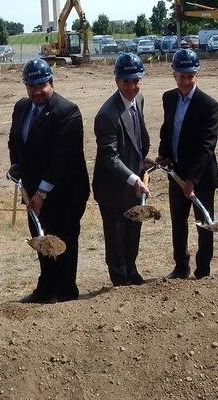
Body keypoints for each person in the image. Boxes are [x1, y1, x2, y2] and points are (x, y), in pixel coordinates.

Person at [8, 58, 90, 303]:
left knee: (63, 241)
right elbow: (15, 142)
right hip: (33, 191)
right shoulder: (21, 108)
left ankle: (66, 291)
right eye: (31, 86)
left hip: (66, 192)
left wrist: (42, 193)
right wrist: (16, 167)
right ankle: (46, 288)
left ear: (51, 82)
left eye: (41, 85)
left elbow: (61, 159)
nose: (36, 91)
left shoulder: (67, 112)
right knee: (41, 238)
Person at [155, 49, 218, 280]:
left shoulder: (208, 104)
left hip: (201, 177)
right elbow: (167, 129)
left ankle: (203, 270)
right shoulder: (169, 98)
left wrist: (192, 179)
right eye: (181, 75)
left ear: (196, 75)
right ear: (174, 75)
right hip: (176, 172)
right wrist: (164, 154)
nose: (186, 80)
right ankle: (181, 267)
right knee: (178, 223)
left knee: (204, 223)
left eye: (190, 75)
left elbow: (207, 145)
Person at [93, 53, 151, 286]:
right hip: (113, 188)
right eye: (126, 81)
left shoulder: (140, 100)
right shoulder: (107, 115)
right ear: (116, 81)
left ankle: (132, 272)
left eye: (135, 80)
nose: (131, 86)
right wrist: (133, 178)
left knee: (133, 230)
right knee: (116, 237)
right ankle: (120, 279)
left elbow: (136, 139)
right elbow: (109, 156)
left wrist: (143, 162)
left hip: (133, 183)